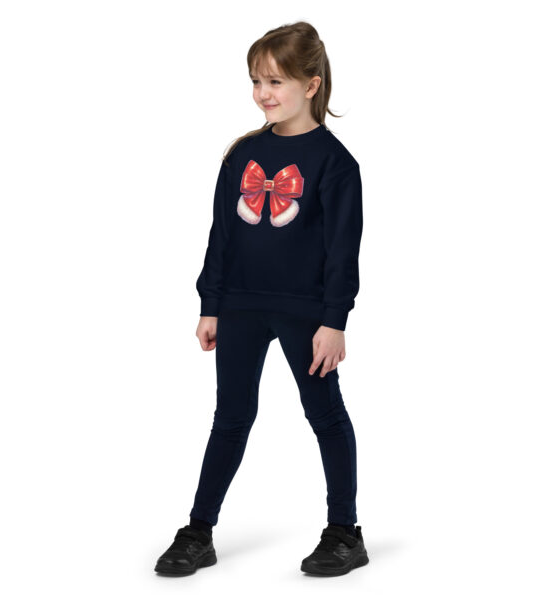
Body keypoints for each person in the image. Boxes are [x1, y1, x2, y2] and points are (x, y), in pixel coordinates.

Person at [155, 21, 368, 577]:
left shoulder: (336, 164)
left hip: (307, 313)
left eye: (276, 81)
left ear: (311, 85)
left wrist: (334, 320)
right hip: (241, 306)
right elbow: (222, 235)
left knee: (324, 414)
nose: (263, 93)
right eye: (256, 81)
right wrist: (211, 303)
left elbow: (343, 252)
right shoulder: (242, 155)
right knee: (230, 416)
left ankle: (344, 532)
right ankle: (199, 530)